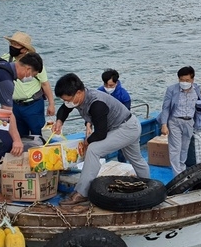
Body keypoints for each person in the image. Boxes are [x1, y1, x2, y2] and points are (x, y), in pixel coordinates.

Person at [52, 73, 150, 206]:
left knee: (93, 149)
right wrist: (59, 121)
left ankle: (82, 193)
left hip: (126, 128)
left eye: (68, 99)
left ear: (79, 92)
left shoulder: (96, 103)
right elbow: (65, 109)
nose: (67, 103)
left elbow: (100, 134)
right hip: (129, 124)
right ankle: (147, 185)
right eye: (64, 100)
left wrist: (88, 141)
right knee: (136, 159)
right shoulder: (78, 98)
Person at [0, 52, 43, 202]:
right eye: (33, 75)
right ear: (28, 70)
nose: (30, 78)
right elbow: (8, 114)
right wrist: (17, 140)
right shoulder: (6, 82)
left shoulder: (1, 64)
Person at [2, 32, 55, 139]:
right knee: (19, 136)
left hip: (33, 104)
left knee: (39, 135)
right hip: (14, 105)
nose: (12, 47)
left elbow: (45, 83)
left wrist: (51, 104)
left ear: (24, 49)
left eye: (16, 45)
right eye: (11, 43)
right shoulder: (5, 59)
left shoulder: (34, 62)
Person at [157, 66, 201, 177]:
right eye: (181, 80)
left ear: (192, 80)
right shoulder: (171, 90)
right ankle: (177, 175)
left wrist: (198, 122)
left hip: (189, 122)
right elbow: (166, 108)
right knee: (175, 148)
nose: (184, 82)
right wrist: (164, 125)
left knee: (185, 148)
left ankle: (182, 168)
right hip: (175, 121)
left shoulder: (197, 89)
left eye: (187, 80)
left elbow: (199, 107)